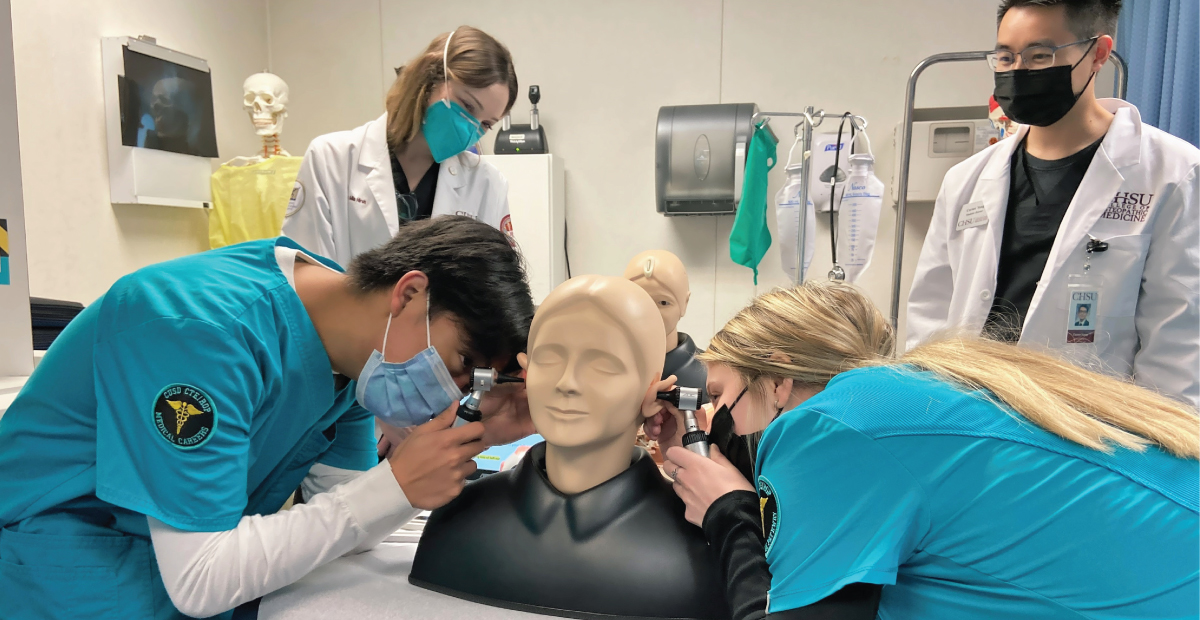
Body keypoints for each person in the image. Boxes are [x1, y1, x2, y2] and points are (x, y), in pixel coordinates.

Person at [0, 216, 535, 620]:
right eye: (463, 364)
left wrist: (475, 435)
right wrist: (397, 486)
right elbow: (200, 579)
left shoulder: (350, 364)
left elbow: (355, 525)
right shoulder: (199, 329)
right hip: (60, 568)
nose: (454, 392)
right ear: (410, 292)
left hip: (168, 569)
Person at [647, 281, 1198, 620]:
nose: (719, 421)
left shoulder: (829, 428)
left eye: (719, 398)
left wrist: (731, 515)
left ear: (778, 377)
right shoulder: (910, 393)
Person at [906, 0, 1200, 407]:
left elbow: (1178, 340)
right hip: (969, 418)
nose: (1018, 71)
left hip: (1093, 433)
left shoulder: (1171, 173)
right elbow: (930, 316)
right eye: (1006, 57)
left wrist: (1159, 460)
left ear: (1098, 53)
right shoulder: (965, 180)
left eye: (1040, 56)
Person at [282, 26, 518, 268]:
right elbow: (302, 273)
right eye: (467, 106)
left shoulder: (487, 184)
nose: (471, 129)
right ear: (429, 78)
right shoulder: (331, 159)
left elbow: (496, 287)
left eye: (486, 124)